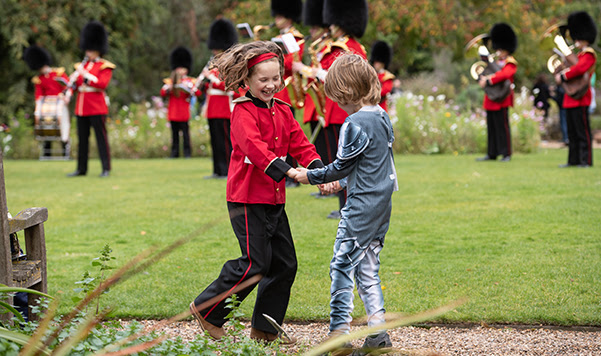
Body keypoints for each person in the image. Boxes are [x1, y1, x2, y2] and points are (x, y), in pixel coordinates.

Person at [189, 41, 326, 344]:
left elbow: (300, 144)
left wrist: (319, 171)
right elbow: (256, 150)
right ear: (247, 81)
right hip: (246, 199)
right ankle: (207, 309)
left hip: (273, 199)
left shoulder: (284, 111)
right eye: (263, 80)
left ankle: (265, 329)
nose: (271, 84)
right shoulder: (241, 112)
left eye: (275, 78)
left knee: (285, 263)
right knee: (255, 263)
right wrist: (290, 172)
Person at [296, 54, 397, 355]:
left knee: (342, 264)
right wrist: (340, 185)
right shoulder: (381, 116)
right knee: (368, 268)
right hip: (382, 206)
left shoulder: (353, 123)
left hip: (360, 208)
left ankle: (338, 334)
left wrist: (308, 176)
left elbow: (340, 166)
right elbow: (372, 165)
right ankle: (378, 335)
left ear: (345, 91)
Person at [294, 0, 369, 219]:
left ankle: (347, 207)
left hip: (340, 110)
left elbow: (335, 76)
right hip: (336, 109)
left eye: (335, 21)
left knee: (343, 160)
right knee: (342, 159)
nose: (331, 26)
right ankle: (345, 205)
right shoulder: (349, 46)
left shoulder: (346, 48)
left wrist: (310, 72)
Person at [66, 21, 115, 177]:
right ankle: (81, 169)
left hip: (97, 106)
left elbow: (102, 84)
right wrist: (69, 89)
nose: (88, 52)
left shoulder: (104, 66)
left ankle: (106, 168)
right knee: (82, 140)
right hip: (82, 106)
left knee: (101, 138)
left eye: (91, 49)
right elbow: (76, 84)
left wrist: (85, 75)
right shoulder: (82, 65)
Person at [555, 11, 596, 168]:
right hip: (570, 97)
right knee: (572, 132)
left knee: (582, 132)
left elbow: (579, 69)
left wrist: (564, 76)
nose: (576, 40)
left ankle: (586, 160)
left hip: (581, 96)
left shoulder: (588, 54)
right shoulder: (577, 54)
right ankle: (573, 160)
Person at [271, 0, 305, 187]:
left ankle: (292, 174)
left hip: (287, 91)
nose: (276, 19)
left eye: (279, 16)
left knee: (288, 134)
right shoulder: (278, 37)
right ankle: (283, 171)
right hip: (276, 90)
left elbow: (292, 63)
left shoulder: (295, 37)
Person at [198, 18, 238, 177]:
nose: (214, 52)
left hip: (224, 108)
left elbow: (231, 86)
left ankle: (227, 169)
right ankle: (217, 170)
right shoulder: (212, 64)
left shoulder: (231, 64)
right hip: (212, 108)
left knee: (225, 142)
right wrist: (203, 82)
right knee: (215, 141)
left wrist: (212, 79)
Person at [476, 23, 517, 163]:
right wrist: (482, 78)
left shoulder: (510, 62)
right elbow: (485, 74)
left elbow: (504, 75)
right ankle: (491, 152)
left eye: (501, 49)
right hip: (491, 97)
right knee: (491, 127)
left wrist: (488, 80)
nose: (498, 51)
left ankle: (506, 153)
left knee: (502, 127)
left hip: (502, 97)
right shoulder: (493, 62)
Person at [23, 45, 70, 158]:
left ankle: (65, 153)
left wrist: (67, 97)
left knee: (62, 128)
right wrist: (38, 108)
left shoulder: (58, 73)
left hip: (60, 104)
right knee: (46, 129)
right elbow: (38, 95)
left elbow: (68, 87)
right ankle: (46, 154)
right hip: (46, 107)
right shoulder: (39, 79)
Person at [161, 46, 200, 159]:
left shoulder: (189, 81)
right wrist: (168, 88)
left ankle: (187, 153)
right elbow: (163, 93)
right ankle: (174, 153)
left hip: (183, 112)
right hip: (173, 112)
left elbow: (197, 93)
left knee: (186, 135)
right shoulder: (170, 81)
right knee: (174, 135)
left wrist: (189, 88)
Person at [369, 41, 396, 112]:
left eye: (378, 62)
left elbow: (384, 91)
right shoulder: (372, 74)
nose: (375, 64)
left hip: (381, 107)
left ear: (383, 63)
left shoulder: (387, 76)